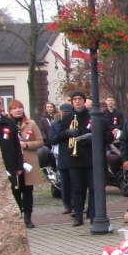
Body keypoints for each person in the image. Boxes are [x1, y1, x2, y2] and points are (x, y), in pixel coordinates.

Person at [58, 91, 94, 226]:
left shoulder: (91, 115)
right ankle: (78, 216)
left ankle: (93, 213)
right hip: (74, 158)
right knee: (77, 188)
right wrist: (68, 132)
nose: (77, 101)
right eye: (75, 99)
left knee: (93, 187)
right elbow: (58, 136)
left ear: (84, 101)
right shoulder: (67, 118)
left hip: (89, 157)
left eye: (80, 99)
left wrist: (87, 138)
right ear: (72, 102)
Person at [0, 94, 25, 220]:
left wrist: (19, 165)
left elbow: (16, 145)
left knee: (13, 192)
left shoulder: (8, 122)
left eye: (0, 104)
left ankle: (15, 218)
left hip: (10, 163)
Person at [8, 99, 44, 228]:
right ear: (10, 111)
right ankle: (18, 214)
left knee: (28, 190)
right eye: (15, 108)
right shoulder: (7, 124)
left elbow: (40, 142)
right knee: (15, 189)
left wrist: (26, 144)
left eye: (20, 107)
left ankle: (28, 217)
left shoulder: (31, 124)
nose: (18, 110)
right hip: (14, 162)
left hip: (28, 162)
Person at [52, 103, 74, 213]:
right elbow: (52, 139)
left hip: (74, 156)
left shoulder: (75, 122)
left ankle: (76, 204)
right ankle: (67, 205)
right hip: (63, 155)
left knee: (75, 183)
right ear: (60, 112)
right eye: (63, 112)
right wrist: (65, 134)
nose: (65, 114)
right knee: (64, 183)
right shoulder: (56, 125)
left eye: (67, 113)